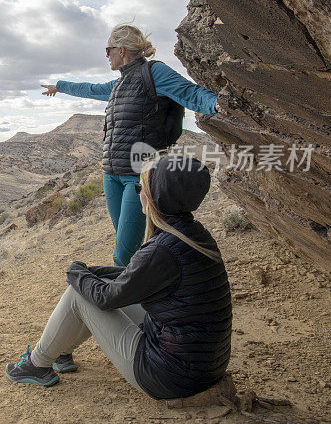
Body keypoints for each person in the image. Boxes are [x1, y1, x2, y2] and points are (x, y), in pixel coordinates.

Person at [5, 154, 232, 399]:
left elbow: (107, 299)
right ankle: (61, 350)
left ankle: (37, 364)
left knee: (79, 295)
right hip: (202, 366)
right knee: (91, 285)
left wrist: (75, 271)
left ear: (158, 195)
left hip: (168, 376)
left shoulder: (161, 250)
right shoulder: (190, 235)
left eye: (140, 187)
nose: (138, 193)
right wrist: (91, 272)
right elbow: (132, 278)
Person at [42, 24, 221, 266]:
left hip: (139, 176)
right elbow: (91, 89)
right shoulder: (118, 85)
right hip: (111, 175)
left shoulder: (154, 73)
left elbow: (189, 92)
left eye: (108, 50)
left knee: (123, 255)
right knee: (131, 245)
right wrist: (60, 86)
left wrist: (217, 103)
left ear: (121, 50)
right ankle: (152, 288)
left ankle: (133, 297)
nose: (106, 56)